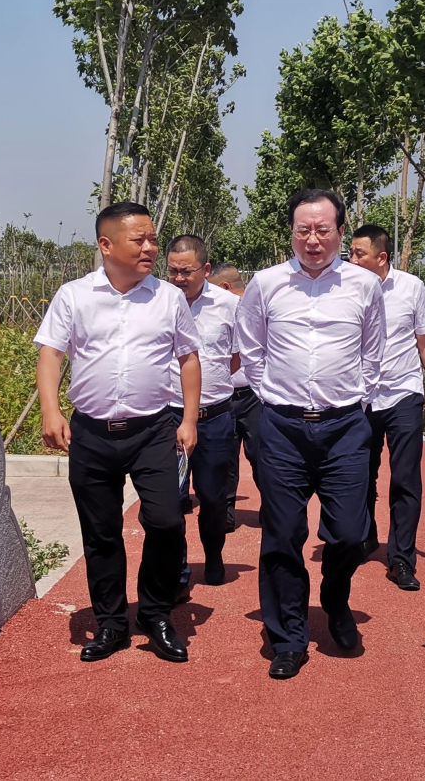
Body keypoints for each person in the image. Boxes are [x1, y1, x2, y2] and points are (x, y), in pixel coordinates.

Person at [35, 202, 202, 665]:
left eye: (153, 239)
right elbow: (51, 354)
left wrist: (189, 420)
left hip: (154, 430)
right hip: (92, 433)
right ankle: (111, 623)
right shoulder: (73, 296)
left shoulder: (168, 298)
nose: (150, 248)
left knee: (167, 523)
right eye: (139, 240)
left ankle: (155, 613)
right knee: (101, 532)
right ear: (106, 245)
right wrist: (51, 411)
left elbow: (189, 358)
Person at [236, 189, 385, 680]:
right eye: (304, 230)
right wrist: (272, 396)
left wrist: (355, 399)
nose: (313, 240)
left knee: (350, 534)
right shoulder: (266, 284)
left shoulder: (365, 285)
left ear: (341, 231)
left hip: (345, 428)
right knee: (282, 534)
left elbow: (373, 351)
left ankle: (335, 599)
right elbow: (251, 349)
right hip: (282, 428)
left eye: (323, 230)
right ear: (292, 232)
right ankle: (289, 636)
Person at [348, 224, 425, 590]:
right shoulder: (342, 287)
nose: (351, 259)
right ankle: (364, 538)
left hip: (403, 394)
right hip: (359, 397)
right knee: (360, 474)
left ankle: (401, 559)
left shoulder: (411, 288)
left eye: (359, 253)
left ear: (382, 257)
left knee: (406, 478)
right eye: (350, 252)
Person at [166, 236, 240, 597]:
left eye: (187, 271)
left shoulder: (229, 305)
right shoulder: (159, 302)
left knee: (212, 498)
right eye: (173, 271)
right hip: (168, 417)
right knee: (170, 499)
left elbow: (237, 357)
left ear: (206, 269)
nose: (179, 278)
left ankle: (213, 555)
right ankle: (178, 571)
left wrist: (213, 384)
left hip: (215, 418)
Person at [208, 262, 262, 531]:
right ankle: (226, 513)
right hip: (225, 397)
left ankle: (272, 508)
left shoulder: (258, 309)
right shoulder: (212, 311)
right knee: (225, 458)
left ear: (225, 287)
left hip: (253, 397)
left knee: (261, 455)